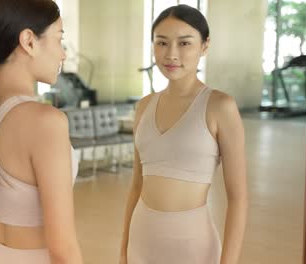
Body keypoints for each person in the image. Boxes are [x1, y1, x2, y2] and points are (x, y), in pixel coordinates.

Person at [0, 1, 83, 263]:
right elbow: (62, 248)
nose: (63, 54)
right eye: (59, 39)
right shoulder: (46, 122)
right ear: (29, 41)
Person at [119, 4, 248, 264]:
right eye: (162, 43)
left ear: (204, 46)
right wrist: (123, 250)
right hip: (141, 241)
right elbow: (136, 186)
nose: (172, 54)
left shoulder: (220, 106)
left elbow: (238, 198)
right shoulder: (144, 106)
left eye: (185, 43)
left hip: (193, 246)